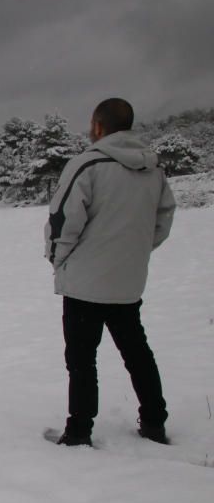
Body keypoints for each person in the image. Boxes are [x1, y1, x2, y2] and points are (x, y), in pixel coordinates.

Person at [44, 98, 176, 447]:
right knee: (137, 353)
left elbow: (62, 221)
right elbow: (162, 220)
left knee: (82, 361)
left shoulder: (87, 165)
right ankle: (154, 422)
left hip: (85, 283)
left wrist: (58, 260)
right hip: (127, 281)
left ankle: (79, 431)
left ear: (98, 126)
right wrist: (133, 253)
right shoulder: (153, 168)